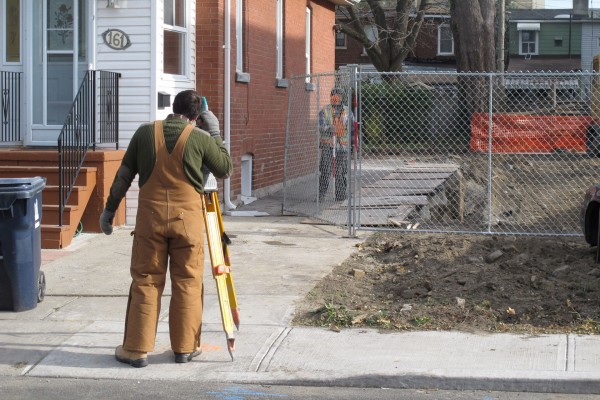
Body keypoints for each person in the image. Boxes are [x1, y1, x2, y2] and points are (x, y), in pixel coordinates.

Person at [99, 90, 232, 368]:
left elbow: (124, 175)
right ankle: (185, 348)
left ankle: (135, 350)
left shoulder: (144, 133)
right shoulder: (201, 138)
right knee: (188, 282)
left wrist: (110, 210)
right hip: (188, 223)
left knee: (146, 281)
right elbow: (224, 169)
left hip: (150, 220)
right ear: (197, 117)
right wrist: (215, 131)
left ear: (173, 109)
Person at [318, 87, 354, 201]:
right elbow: (321, 126)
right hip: (328, 145)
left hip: (342, 146)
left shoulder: (348, 112)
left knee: (340, 171)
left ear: (342, 98)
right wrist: (330, 128)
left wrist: (351, 144)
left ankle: (340, 195)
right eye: (333, 96)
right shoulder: (324, 110)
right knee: (325, 170)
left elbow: (352, 129)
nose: (335, 98)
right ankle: (321, 195)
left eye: (338, 96)